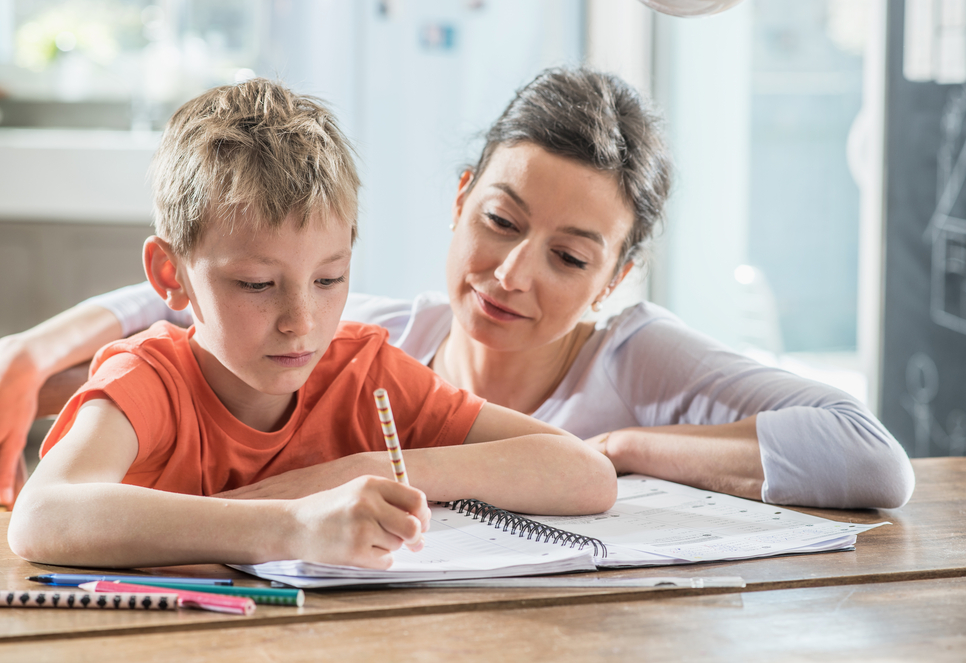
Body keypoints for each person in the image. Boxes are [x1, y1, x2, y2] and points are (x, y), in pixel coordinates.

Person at [0, 68, 913, 512]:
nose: (511, 276)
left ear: (618, 276)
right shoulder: (384, 336)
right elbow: (209, 302)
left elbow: (870, 455)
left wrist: (627, 443)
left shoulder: (637, 353)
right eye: (501, 222)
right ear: (459, 199)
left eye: (570, 256)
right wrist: (40, 347)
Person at [6, 78, 617, 569]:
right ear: (172, 275)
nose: (301, 322)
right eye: (256, 285)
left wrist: (361, 470)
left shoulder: (366, 374)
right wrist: (294, 523)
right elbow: (41, 520)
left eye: (329, 281)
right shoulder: (149, 381)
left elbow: (586, 475)